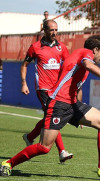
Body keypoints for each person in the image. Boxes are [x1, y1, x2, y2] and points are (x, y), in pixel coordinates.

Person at [0, 35, 100, 177]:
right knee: (44, 147)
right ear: (95, 50)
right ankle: (8, 164)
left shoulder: (81, 59)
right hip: (59, 103)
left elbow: (76, 86)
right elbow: (89, 65)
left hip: (73, 104)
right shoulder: (86, 53)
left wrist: (80, 112)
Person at [21, 19, 73, 163]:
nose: (54, 33)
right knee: (54, 117)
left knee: (48, 119)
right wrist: (24, 83)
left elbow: (68, 67)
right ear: (44, 30)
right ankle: (62, 151)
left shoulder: (62, 47)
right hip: (43, 89)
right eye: (51, 30)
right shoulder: (35, 47)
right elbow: (25, 64)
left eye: (56, 30)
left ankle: (30, 137)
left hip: (57, 89)